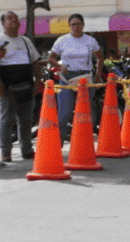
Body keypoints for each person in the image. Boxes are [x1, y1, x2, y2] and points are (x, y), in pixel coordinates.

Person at [48, 13, 102, 142]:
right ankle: (57, 146)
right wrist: (60, 66)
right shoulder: (62, 40)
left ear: (83, 25)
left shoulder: (90, 40)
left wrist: (98, 75)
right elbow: (51, 58)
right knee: (64, 114)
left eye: (78, 24)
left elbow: (100, 58)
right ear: (69, 26)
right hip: (67, 79)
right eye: (73, 24)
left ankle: (83, 145)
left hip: (86, 79)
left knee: (83, 114)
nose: (76, 27)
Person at [0, 11, 42, 162]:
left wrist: (38, 81)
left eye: (16, 18)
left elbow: (36, 61)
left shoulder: (25, 40)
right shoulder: (0, 40)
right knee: (7, 120)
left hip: (26, 86)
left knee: (26, 120)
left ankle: (27, 150)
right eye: (9, 18)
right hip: (8, 87)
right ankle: (6, 152)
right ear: (3, 23)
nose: (14, 20)